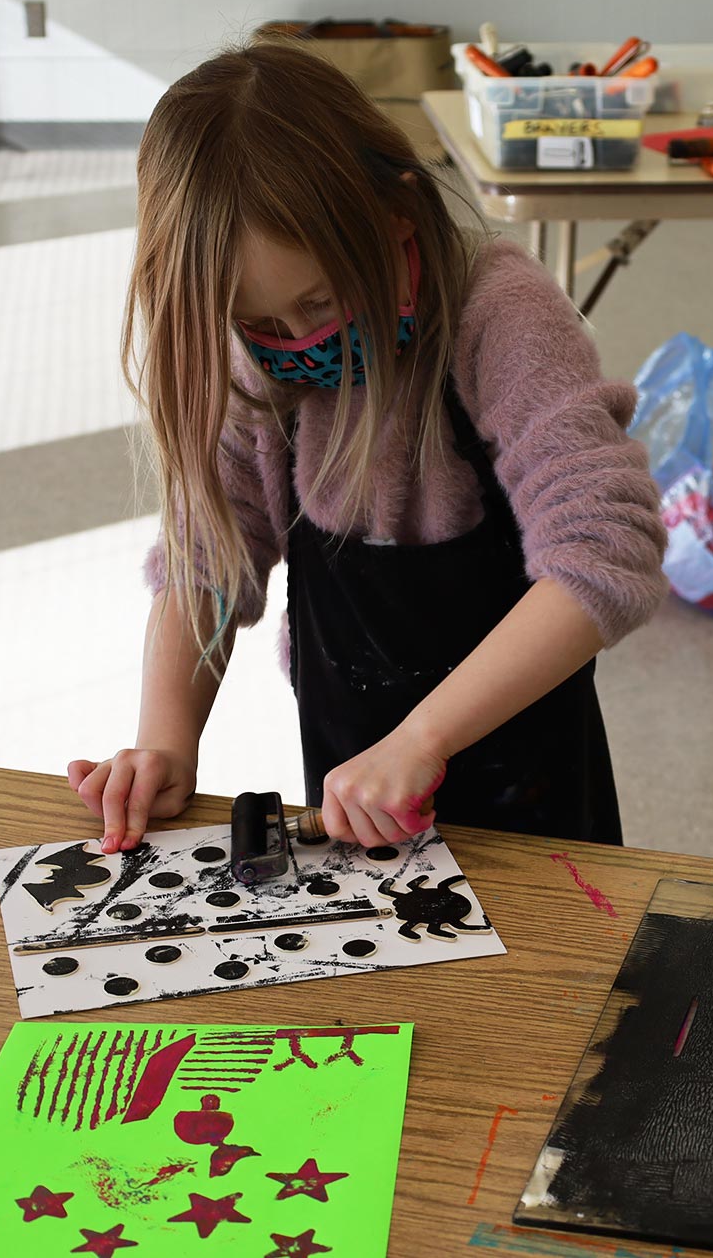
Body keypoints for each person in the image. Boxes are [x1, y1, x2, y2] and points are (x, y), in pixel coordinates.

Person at [68, 43, 666, 853]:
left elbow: (607, 550)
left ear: (396, 215)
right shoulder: (259, 365)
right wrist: (166, 738)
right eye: (263, 324)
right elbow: (206, 553)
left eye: (318, 300)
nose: (296, 340)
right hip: (357, 791)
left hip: (530, 796)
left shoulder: (499, 313)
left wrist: (422, 741)